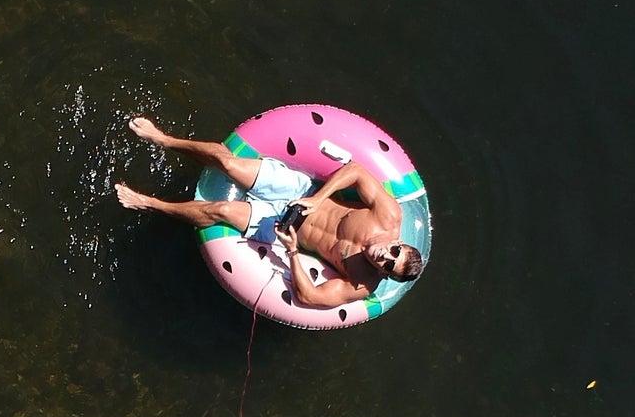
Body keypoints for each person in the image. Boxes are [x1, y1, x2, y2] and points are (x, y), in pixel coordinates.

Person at [115, 114, 423, 310]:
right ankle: (165, 139)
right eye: (395, 252)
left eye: (388, 265)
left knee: (220, 209)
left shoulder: (361, 283)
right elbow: (356, 171)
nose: (385, 256)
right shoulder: (388, 216)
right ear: (398, 242)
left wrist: (291, 252)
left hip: (282, 230)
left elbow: (310, 297)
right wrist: (318, 199)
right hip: (301, 193)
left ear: (384, 274)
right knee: (228, 163)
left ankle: (150, 203)